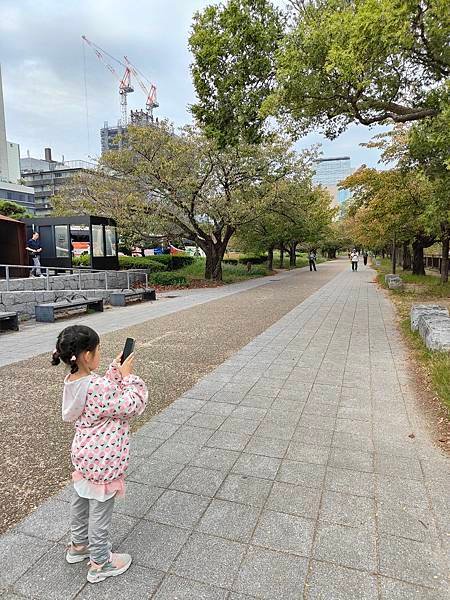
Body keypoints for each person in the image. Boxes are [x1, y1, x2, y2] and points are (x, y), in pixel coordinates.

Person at [52, 325, 148, 584]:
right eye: (97, 351)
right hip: (103, 457)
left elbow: (100, 395)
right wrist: (128, 377)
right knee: (101, 510)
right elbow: (132, 404)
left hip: (83, 453)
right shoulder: (97, 386)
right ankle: (100, 562)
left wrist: (114, 371)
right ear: (86, 355)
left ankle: (78, 546)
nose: (100, 355)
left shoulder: (74, 381)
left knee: (81, 499)